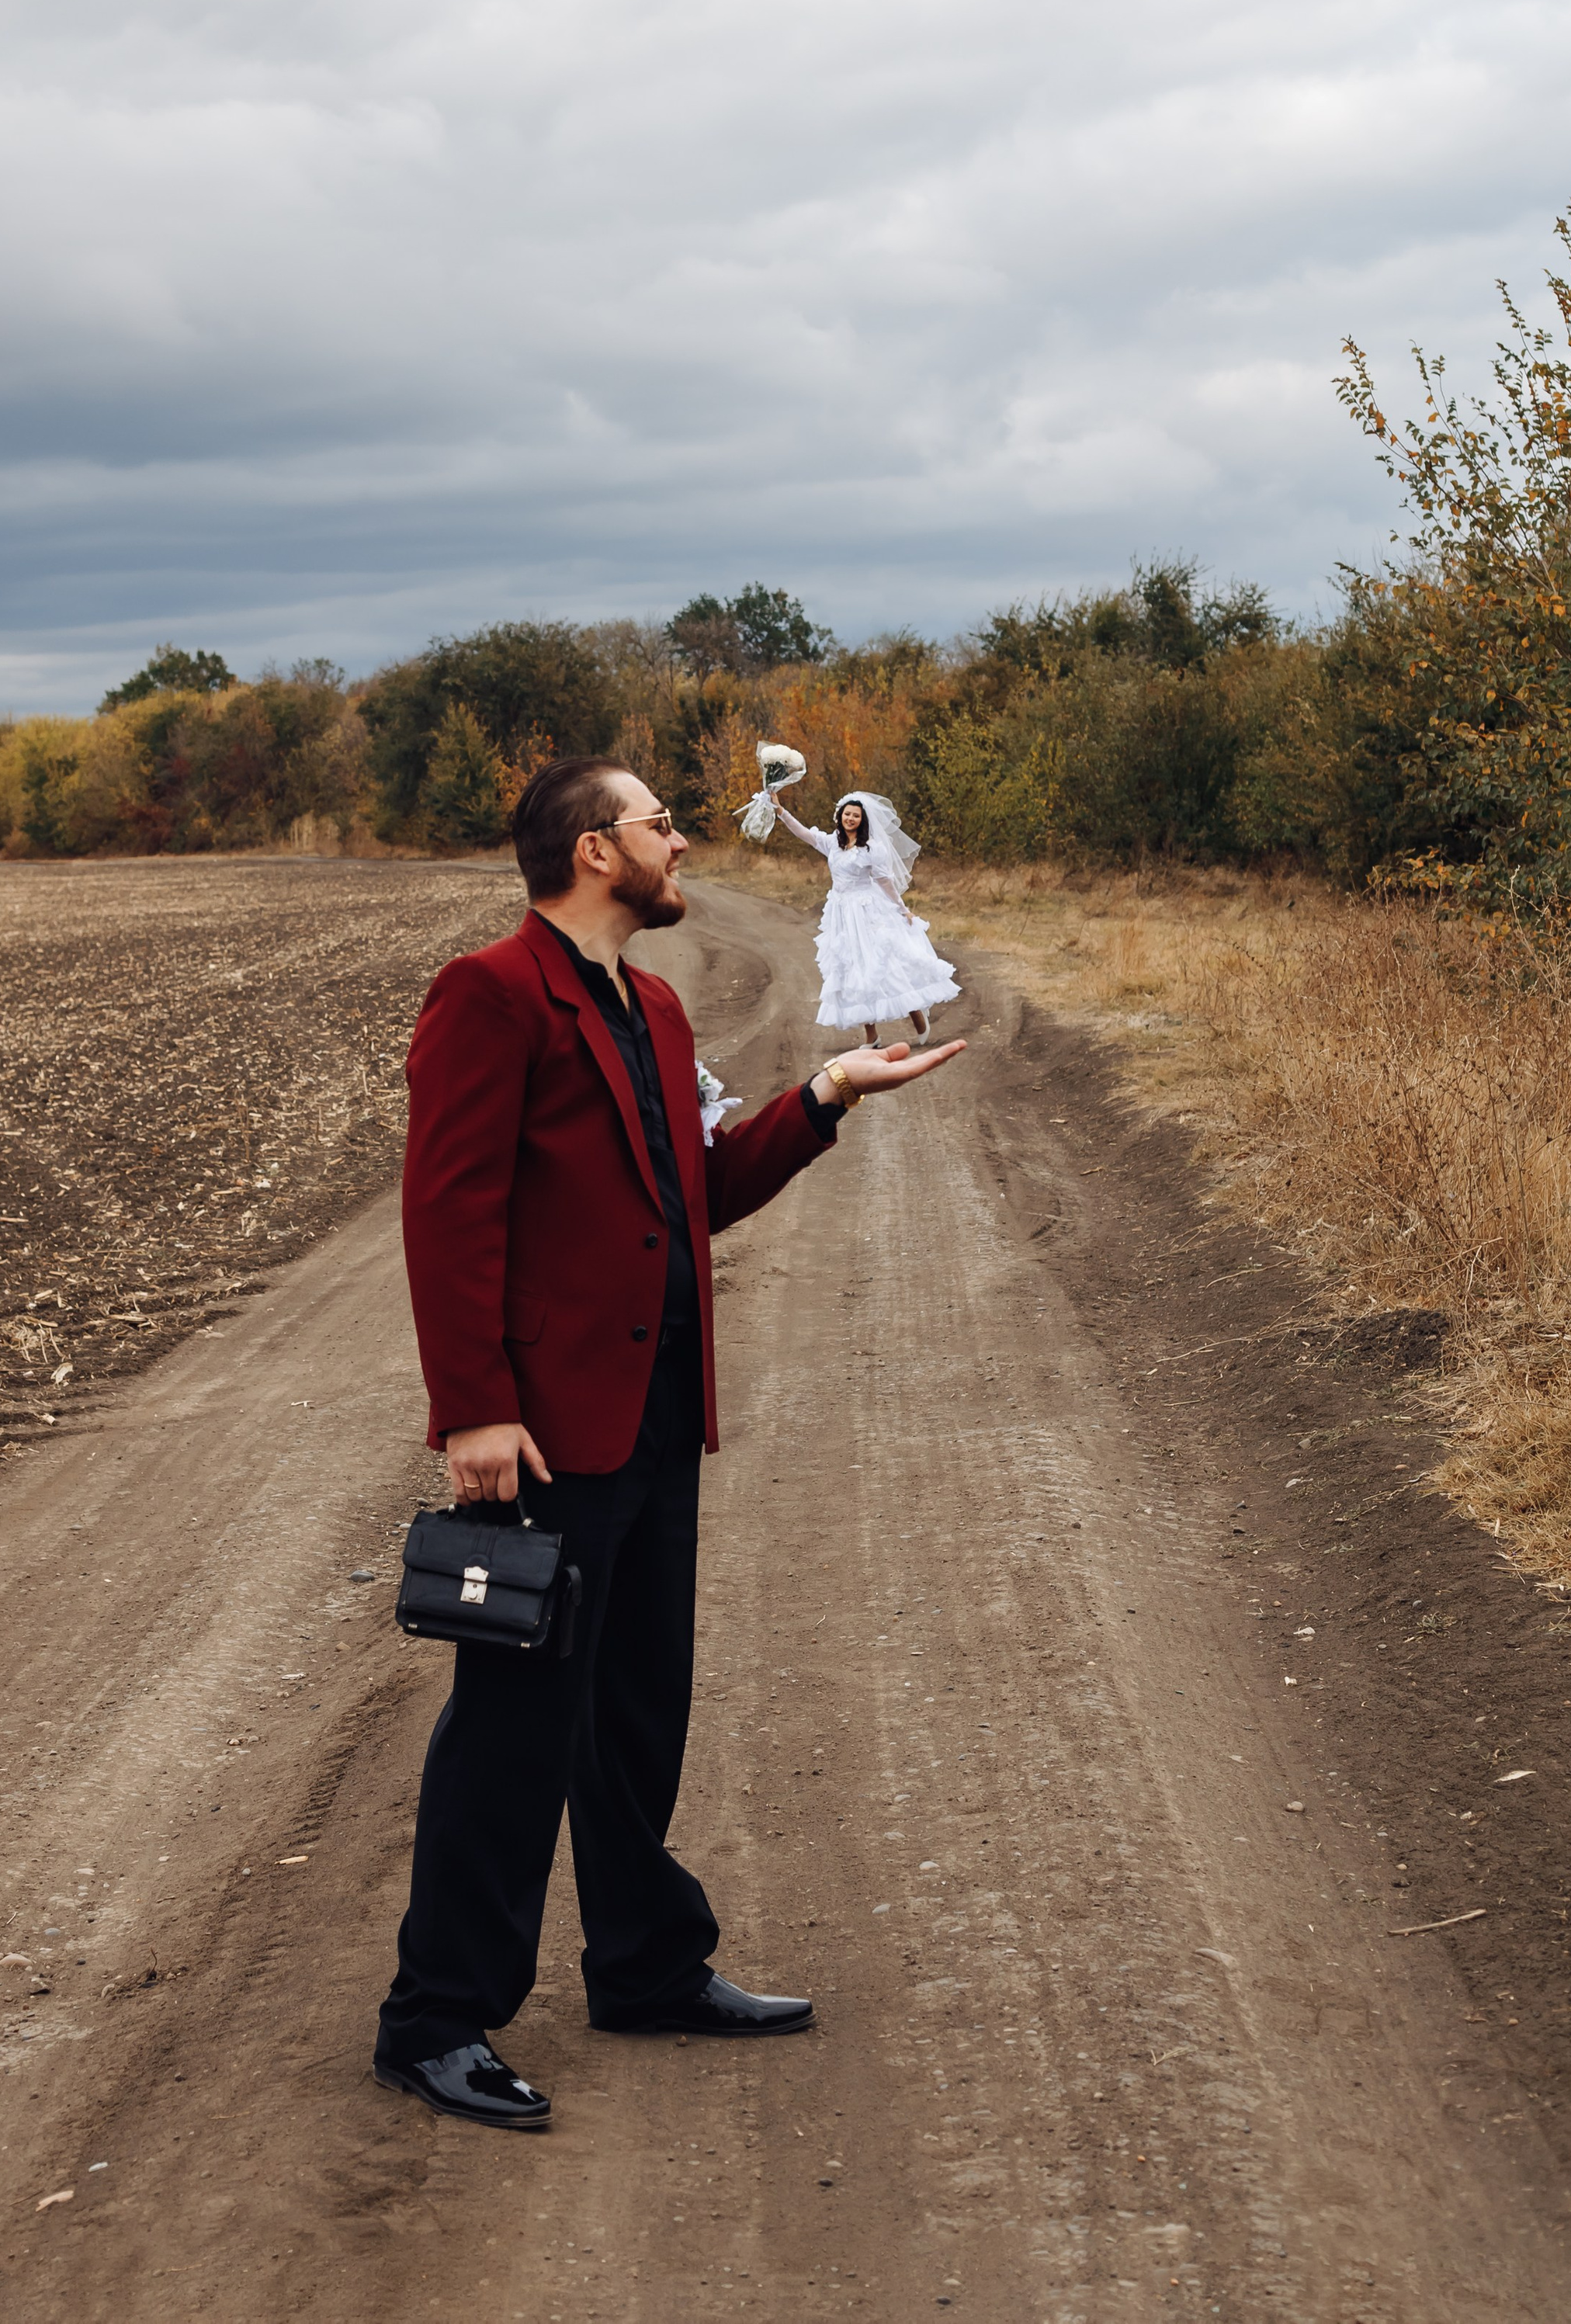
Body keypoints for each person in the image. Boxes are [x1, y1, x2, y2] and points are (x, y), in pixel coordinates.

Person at [374, 754, 966, 2131]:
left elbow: (692, 1195)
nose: (682, 840)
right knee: (513, 1730)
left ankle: (644, 1964)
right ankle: (436, 2017)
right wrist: (472, 1403)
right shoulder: (491, 994)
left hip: (651, 1416)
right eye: (659, 825)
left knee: (637, 1712)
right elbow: (448, 1208)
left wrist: (826, 1097)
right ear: (593, 853)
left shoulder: (648, 1005)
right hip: (541, 1432)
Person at [775, 791, 962, 1046]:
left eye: (855, 815)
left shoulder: (873, 848)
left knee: (885, 965)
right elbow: (804, 833)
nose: (850, 818)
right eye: (847, 814)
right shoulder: (833, 843)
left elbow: (885, 881)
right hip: (841, 915)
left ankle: (916, 1012)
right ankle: (871, 1036)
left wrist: (901, 908)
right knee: (854, 970)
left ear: (862, 820)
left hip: (866, 911)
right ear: (839, 816)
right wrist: (780, 812)